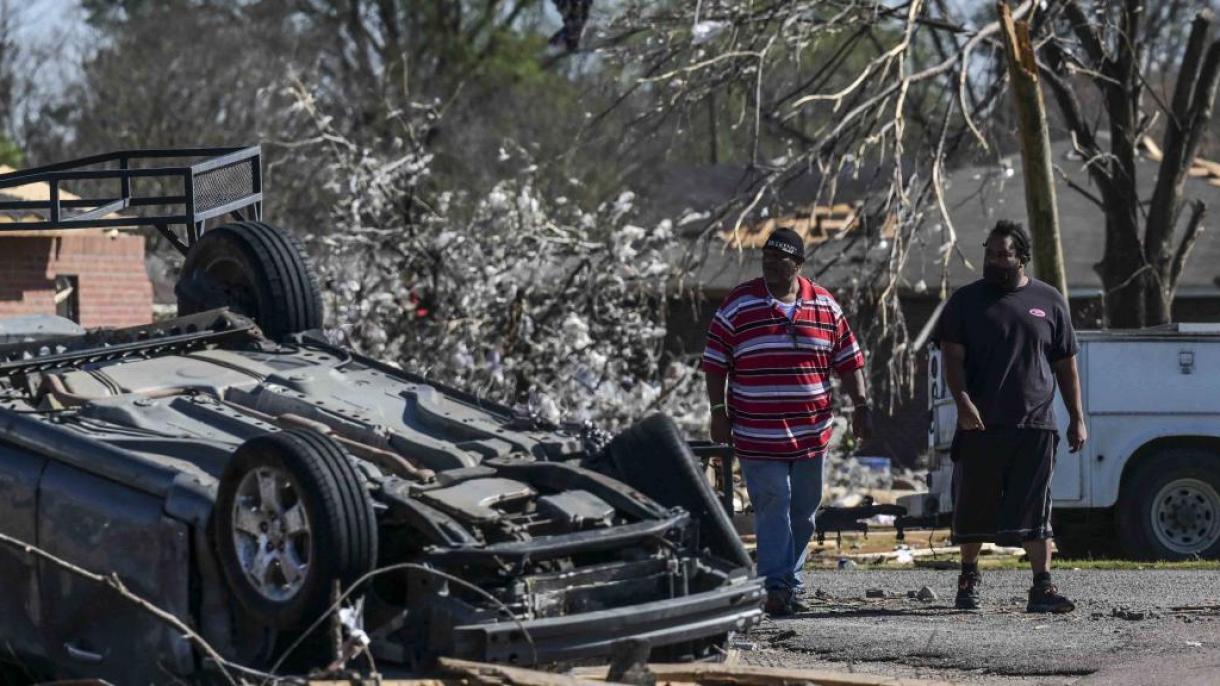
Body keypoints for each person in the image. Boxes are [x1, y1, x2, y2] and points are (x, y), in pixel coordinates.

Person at [703, 227, 872, 617]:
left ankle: (790, 582)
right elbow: (715, 361)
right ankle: (775, 586)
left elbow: (849, 359)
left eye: (780, 260)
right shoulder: (739, 304)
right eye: (766, 259)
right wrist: (717, 412)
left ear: (798, 264)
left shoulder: (825, 306)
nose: (771, 266)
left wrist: (862, 404)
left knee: (804, 511)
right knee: (774, 503)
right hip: (756, 432)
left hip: (812, 433)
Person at [935, 220, 1086, 614]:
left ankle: (1042, 587)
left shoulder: (1049, 301)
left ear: (1021, 256)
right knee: (973, 505)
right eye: (990, 254)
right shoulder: (965, 302)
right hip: (980, 424)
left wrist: (1077, 417)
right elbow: (952, 358)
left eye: (1003, 254)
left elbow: (1066, 365)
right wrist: (963, 402)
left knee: (1036, 508)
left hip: (1035, 424)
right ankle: (968, 578)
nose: (995, 261)